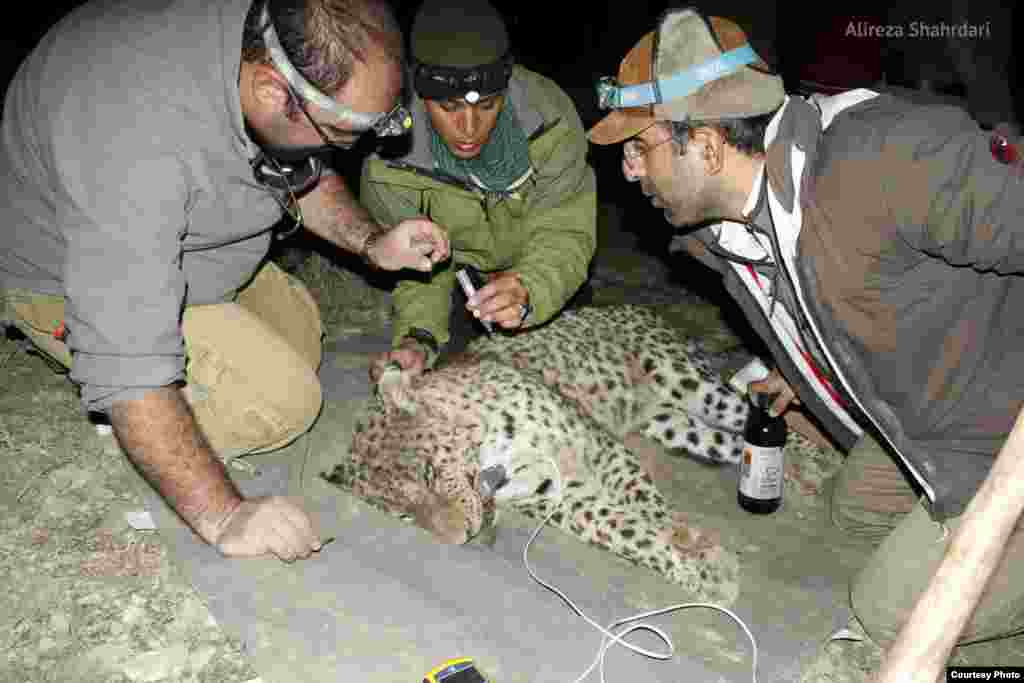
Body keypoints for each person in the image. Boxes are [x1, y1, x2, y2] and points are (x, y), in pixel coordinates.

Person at [586, 6, 1024, 679]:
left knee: (884, 611)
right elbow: (831, 283)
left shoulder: (885, 154)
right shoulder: (724, 237)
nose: (630, 172)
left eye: (638, 149)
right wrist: (804, 365)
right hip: (940, 417)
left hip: (1000, 434)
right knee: (853, 516)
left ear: (704, 145)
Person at [0, 0, 451, 564]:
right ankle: (121, 415)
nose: (359, 148)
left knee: (301, 329)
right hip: (62, 273)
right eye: (345, 132)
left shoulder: (265, 39)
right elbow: (128, 355)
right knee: (282, 404)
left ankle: (179, 394)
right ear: (270, 91)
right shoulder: (128, 132)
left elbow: (300, 170)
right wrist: (224, 515)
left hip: (191, 248)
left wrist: (370, 243)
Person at [361, 0, 597, 380]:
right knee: (456, 375)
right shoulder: (390, 161)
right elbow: (419, 267)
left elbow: (565, 227)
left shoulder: (550, 118)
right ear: (420, 94)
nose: (469, 128)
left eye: (487, 105)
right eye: (449, 107)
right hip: (459, 280)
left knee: (570, 366)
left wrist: (530, 288)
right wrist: (418, 337)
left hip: (536, 265)